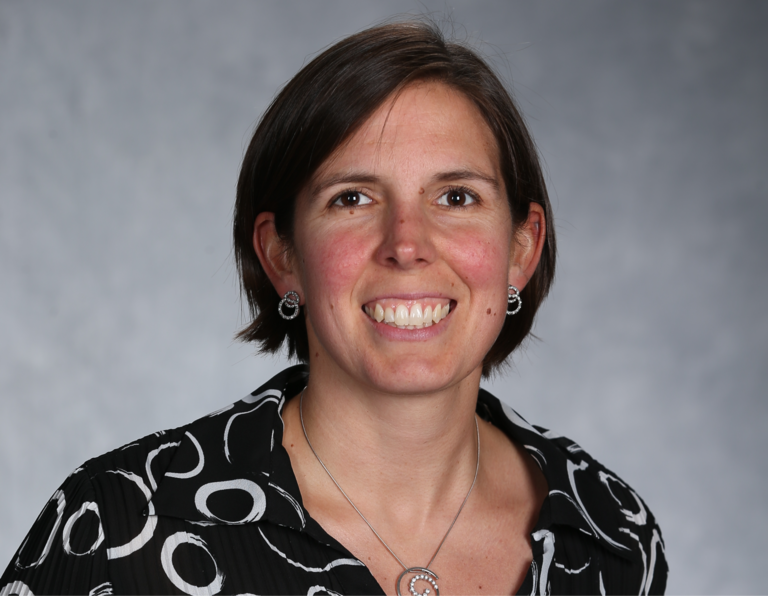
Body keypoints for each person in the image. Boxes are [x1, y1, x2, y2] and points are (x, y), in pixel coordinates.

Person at [1, 20, 667, 596]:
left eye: (457, 197)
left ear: (522, 248)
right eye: (352, 198)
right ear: (281, 255)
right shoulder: (126, 526)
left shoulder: (608, 534)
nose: (407, 244)